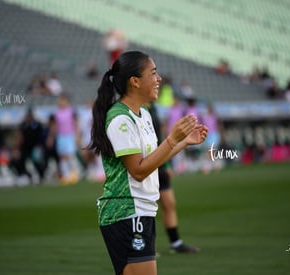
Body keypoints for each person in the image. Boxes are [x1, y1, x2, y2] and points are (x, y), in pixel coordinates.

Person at [89, 51, 208, 275]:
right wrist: (172, 139)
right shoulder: (120, 119)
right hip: (125, 212)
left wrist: (184, 142)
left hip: (141, 211)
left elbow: (153, 159)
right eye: (153, 73)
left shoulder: (142, 113)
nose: (159, 79)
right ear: (135, 81)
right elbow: (139, 171)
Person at [148, 102, 199, 254]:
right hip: (148, 160)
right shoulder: (137, 108)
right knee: (148, 207)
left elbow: (160, 136)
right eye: (153, 76)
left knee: (169, 203)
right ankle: (146, 247)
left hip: (161, 160)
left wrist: (167, 164)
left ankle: (176, 243)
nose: (157, 80)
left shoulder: (152, 107)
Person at [11, 109, 45, 183]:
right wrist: (16, 147)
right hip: (25, 148)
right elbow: (20, 136)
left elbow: (40, 137)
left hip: (35, 147)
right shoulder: (24, 125)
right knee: (19, 160)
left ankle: (40, 176)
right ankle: (25, 175)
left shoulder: (37, 125)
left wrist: (39, 146)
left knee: (38, 160)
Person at [55, 95, 80, 184]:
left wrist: (77, 136)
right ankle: (65, 176)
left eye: (62, 100)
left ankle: (74, 174)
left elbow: (76, 123)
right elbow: (56, 126)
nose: (60, 102)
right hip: (61, 136)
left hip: (70, 135)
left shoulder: (71, 111)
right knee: (62, 156)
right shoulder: (57, 112)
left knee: (70, 155)